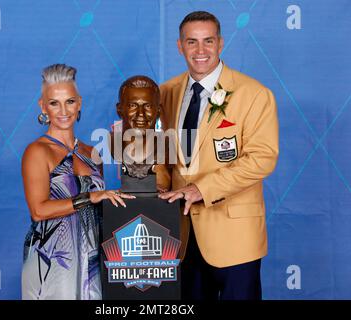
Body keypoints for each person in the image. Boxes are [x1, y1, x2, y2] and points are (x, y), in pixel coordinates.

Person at [158, 11, 279, 300]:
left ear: (220, 43)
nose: (200, 51)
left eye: (208, 41)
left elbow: (262, 157)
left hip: (236, 237)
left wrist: (202, 188)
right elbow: (161, 156)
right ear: (179, 46)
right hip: (183, 236)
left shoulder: (254, 94)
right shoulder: (165, 93)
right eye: (192, 42)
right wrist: (158, 186)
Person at [21, 64, 134, 300]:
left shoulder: (92, 152)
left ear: (79, 103)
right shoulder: (36, 151)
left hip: (92, 259)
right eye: (54, 103)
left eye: (70, 101)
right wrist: (90, 197)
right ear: (43, 106)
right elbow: (38, 211)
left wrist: (145, 194)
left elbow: (102, 206)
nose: (63, 110)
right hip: (52, 260)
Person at [111, 75, 170, 190]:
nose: (141, 114)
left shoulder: (169, 145)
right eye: (133, 105)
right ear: (120, 110)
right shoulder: (108, 143)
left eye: (147, 106)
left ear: (158, 111)